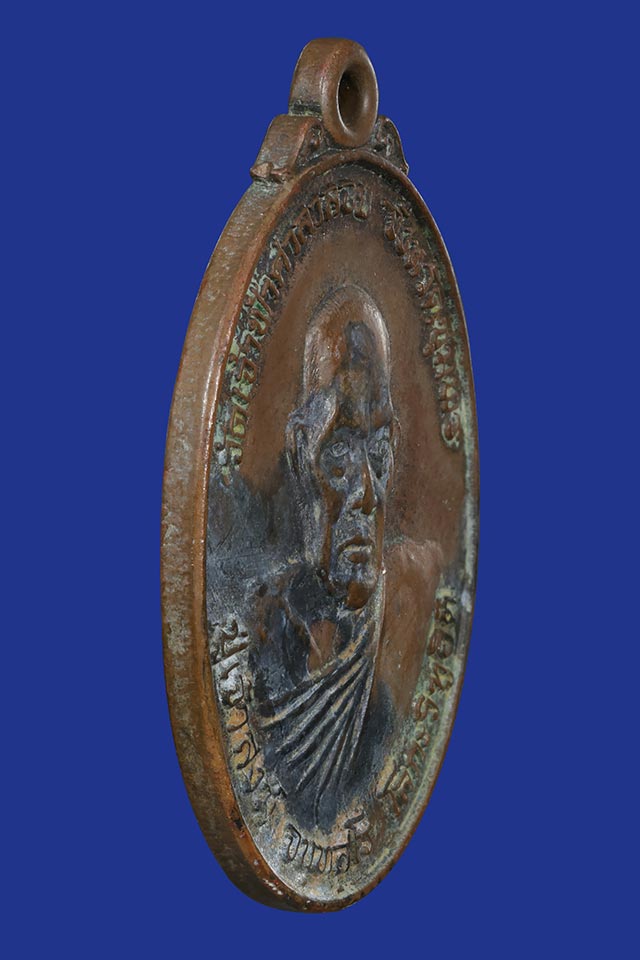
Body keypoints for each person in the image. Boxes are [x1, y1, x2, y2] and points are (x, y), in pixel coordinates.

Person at [249, 284, 441, 830]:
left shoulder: (409, 617)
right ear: (299, 455)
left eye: (377, 451)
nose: (366, 495)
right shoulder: (262, 632)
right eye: (337, 453)